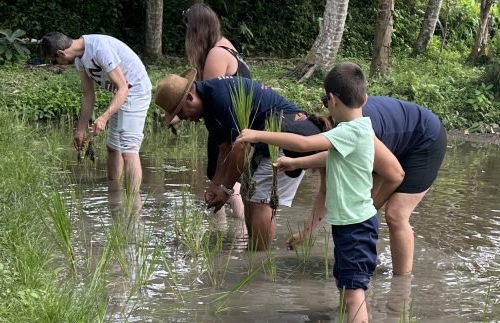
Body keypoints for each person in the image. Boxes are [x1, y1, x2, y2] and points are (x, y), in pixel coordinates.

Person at [236, 62, 381, 323]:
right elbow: (332, 157)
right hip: (352, 224)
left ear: (332, 100)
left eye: (325, 101)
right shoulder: (359, 130)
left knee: (353, 292)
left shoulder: (349, 131)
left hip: (355, 227)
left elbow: (303, 143)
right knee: (347, 285)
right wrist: (292, 163)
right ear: (365, 99)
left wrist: (257, 134)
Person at [289, 97, 447, 276]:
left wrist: (368, 212)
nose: (313, 169)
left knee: (395, 214)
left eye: (311, 165)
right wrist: (307, 232)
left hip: (425, 139)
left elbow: (394, 175)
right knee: (362, 209)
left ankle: (402, 286)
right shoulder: (335, 131)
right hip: (393, 145)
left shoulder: (357, 131)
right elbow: (326, 191)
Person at [154, 71, 311, 250]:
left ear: (190, 97)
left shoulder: (220, 100)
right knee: (248, 193)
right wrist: (215, 185)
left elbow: (241, 149)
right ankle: (254, 253)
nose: (185, 119)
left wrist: (226, 189)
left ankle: (260, 261)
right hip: (269, 139)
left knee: (259, 199)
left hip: (290, 135)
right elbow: (225, 149)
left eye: (181, 113)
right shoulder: (210, 102)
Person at [38, 32, 151, 190]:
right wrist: (80, 130)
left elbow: (123, 88)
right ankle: (115, 195)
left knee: (128, 150)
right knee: (113, 148)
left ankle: (134, 205)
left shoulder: (99, 49)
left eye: (54, 60)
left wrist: (104, 118)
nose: (56, 64)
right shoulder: (79, 58)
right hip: (120, 93)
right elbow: (88, 95)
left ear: (61, 53)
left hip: (135, 92)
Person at [183, 2, 252, 221]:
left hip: (226, 126)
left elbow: (210, 100)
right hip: (239, 124)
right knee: (225, 180)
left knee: (229, 185)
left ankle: (240, 233)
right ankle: (221, 233)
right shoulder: (227, 46)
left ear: (195, 31)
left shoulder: (215, 55)